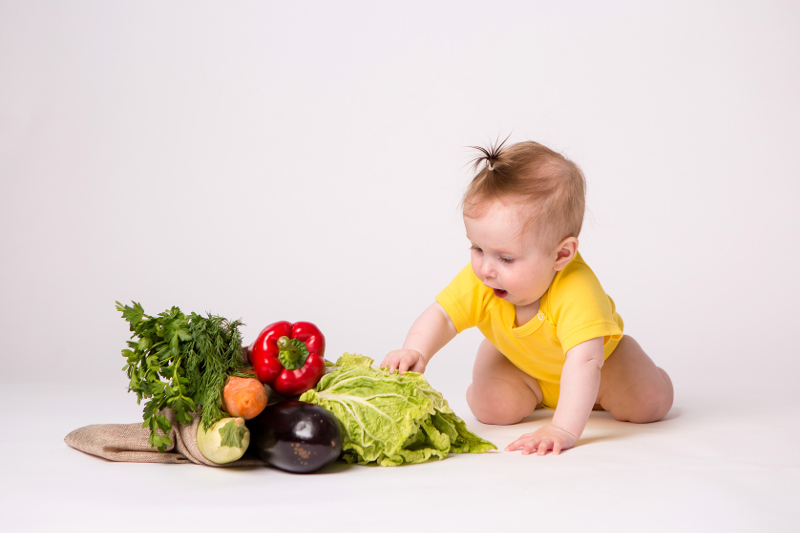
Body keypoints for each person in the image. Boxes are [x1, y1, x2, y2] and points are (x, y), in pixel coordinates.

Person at [381, 139, 673, 456]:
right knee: (491, 410)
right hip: (522, 365)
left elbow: (585, 360)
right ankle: (512, 374)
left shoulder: (577, 289)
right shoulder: (482, 279)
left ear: (561, 254)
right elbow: (444, 316)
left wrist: (561, 428)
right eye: (477, 249)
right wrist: (416, 350)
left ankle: (634, 382)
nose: (487, 269)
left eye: (506, 259)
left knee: (649, 405)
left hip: (603, 367)